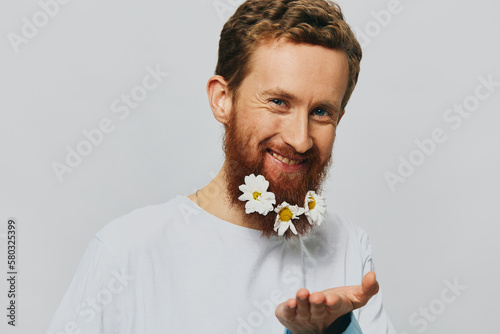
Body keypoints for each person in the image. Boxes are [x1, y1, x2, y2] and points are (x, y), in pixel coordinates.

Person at [46, 0, 396, 333]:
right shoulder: (127, 251)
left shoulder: (348, 246)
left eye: (321, 112)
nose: (300, 139)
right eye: (278, 102)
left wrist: (334, 332)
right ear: (222, 100)